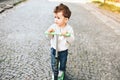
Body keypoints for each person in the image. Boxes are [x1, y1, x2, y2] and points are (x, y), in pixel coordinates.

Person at [45, 3, 74, 79]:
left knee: (63, 64)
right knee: (54, 64)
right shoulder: (53, 26)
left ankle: (61, 72)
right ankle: (54, 73)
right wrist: (49, 32)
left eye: (58, 18)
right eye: (55, 17)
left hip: (63, 50)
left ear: (66, 19)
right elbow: (49, 36)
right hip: (54, 49)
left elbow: (71, 40)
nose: (55, 20)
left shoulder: (69, 28)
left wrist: (66, 35)